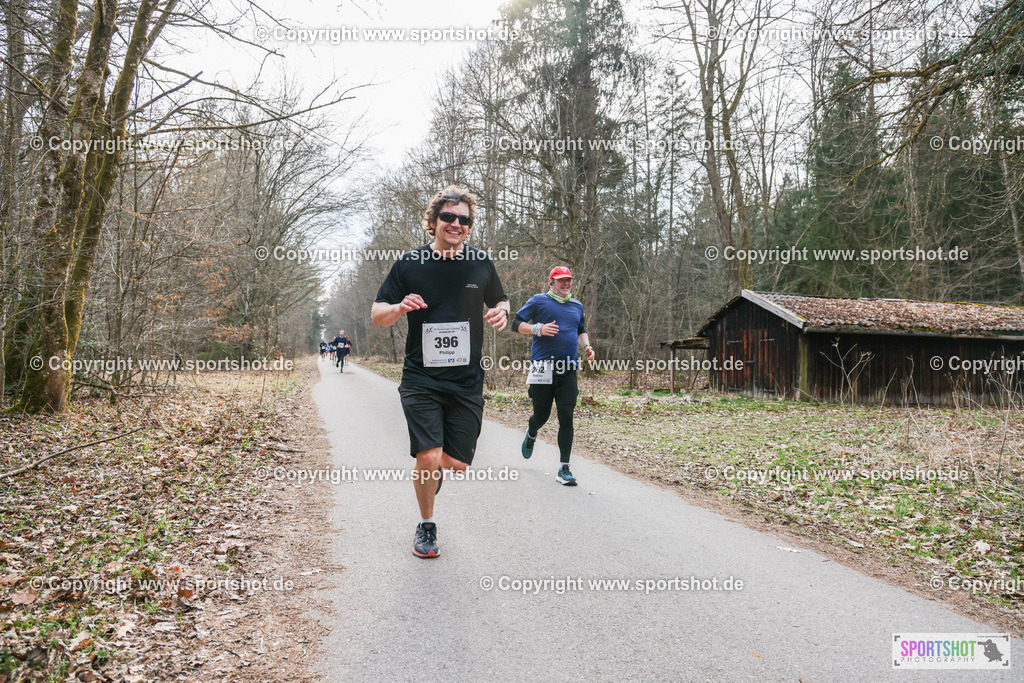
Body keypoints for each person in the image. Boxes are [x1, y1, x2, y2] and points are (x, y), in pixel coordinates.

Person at [371, 186, 509, 558]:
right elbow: (377, 314)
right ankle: (427, 525)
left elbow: (499, 297)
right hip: (421, 377)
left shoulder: (481, 263)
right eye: (448, 216)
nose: (456, 224)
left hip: (466, 380)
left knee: (457, 463)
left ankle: (433, 473)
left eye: (464, 219)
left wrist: (502, 311)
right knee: (428, 456)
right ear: (432, 222)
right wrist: (399, 307)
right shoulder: (409, 264)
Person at [513, 266, 595, 486]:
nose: (566, 284)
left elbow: (580, 330)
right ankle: (532, 431)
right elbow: (515, 324)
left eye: (569, 280)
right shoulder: (538, 301)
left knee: (566, 416)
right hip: (542, 368)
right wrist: (537, 329)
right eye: (561, 281)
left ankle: (564, 468)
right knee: (541, 416)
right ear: (551, 282)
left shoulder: (577, 305)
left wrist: (587, 346)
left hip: (567, 369)